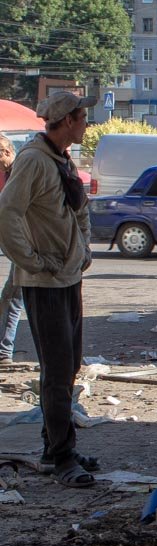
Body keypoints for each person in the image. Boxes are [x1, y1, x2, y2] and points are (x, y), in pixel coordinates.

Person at [0, 92, 96, 487]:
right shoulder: (34, 160)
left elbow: (77, 208)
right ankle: (61, 457)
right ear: (67, 120)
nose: (86, 123)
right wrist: (32, 260)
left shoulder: (59, 156)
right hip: (45, 281)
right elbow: (7, 212)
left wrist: (84, 249)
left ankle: (53, 446)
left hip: (67, 277)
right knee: (56, 372)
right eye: (82, 117)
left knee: (69, 366)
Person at [0, 135, 23, 363]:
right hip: (22, 247)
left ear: (6, 153)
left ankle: (4, 351)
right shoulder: (10, 172)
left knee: (13, 298)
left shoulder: (19, 171)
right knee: (10, 297)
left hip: (28, 246)